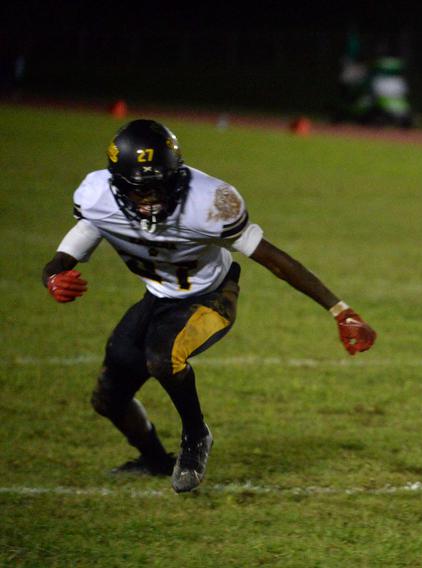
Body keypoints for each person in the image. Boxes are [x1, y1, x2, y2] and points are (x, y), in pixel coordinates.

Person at [42, 119, 377, 493]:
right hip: (158, 297)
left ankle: (196, 435)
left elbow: (273, 259)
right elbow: (73, 246)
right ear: (118, 185)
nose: (152, 199)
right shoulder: (97, 197)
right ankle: (154, 460)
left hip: (212, 296)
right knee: (109, 398)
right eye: (142, 190)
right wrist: (53, 276)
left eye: (160, 186)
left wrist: (339, 309)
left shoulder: (209, 201)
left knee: (163, 356)